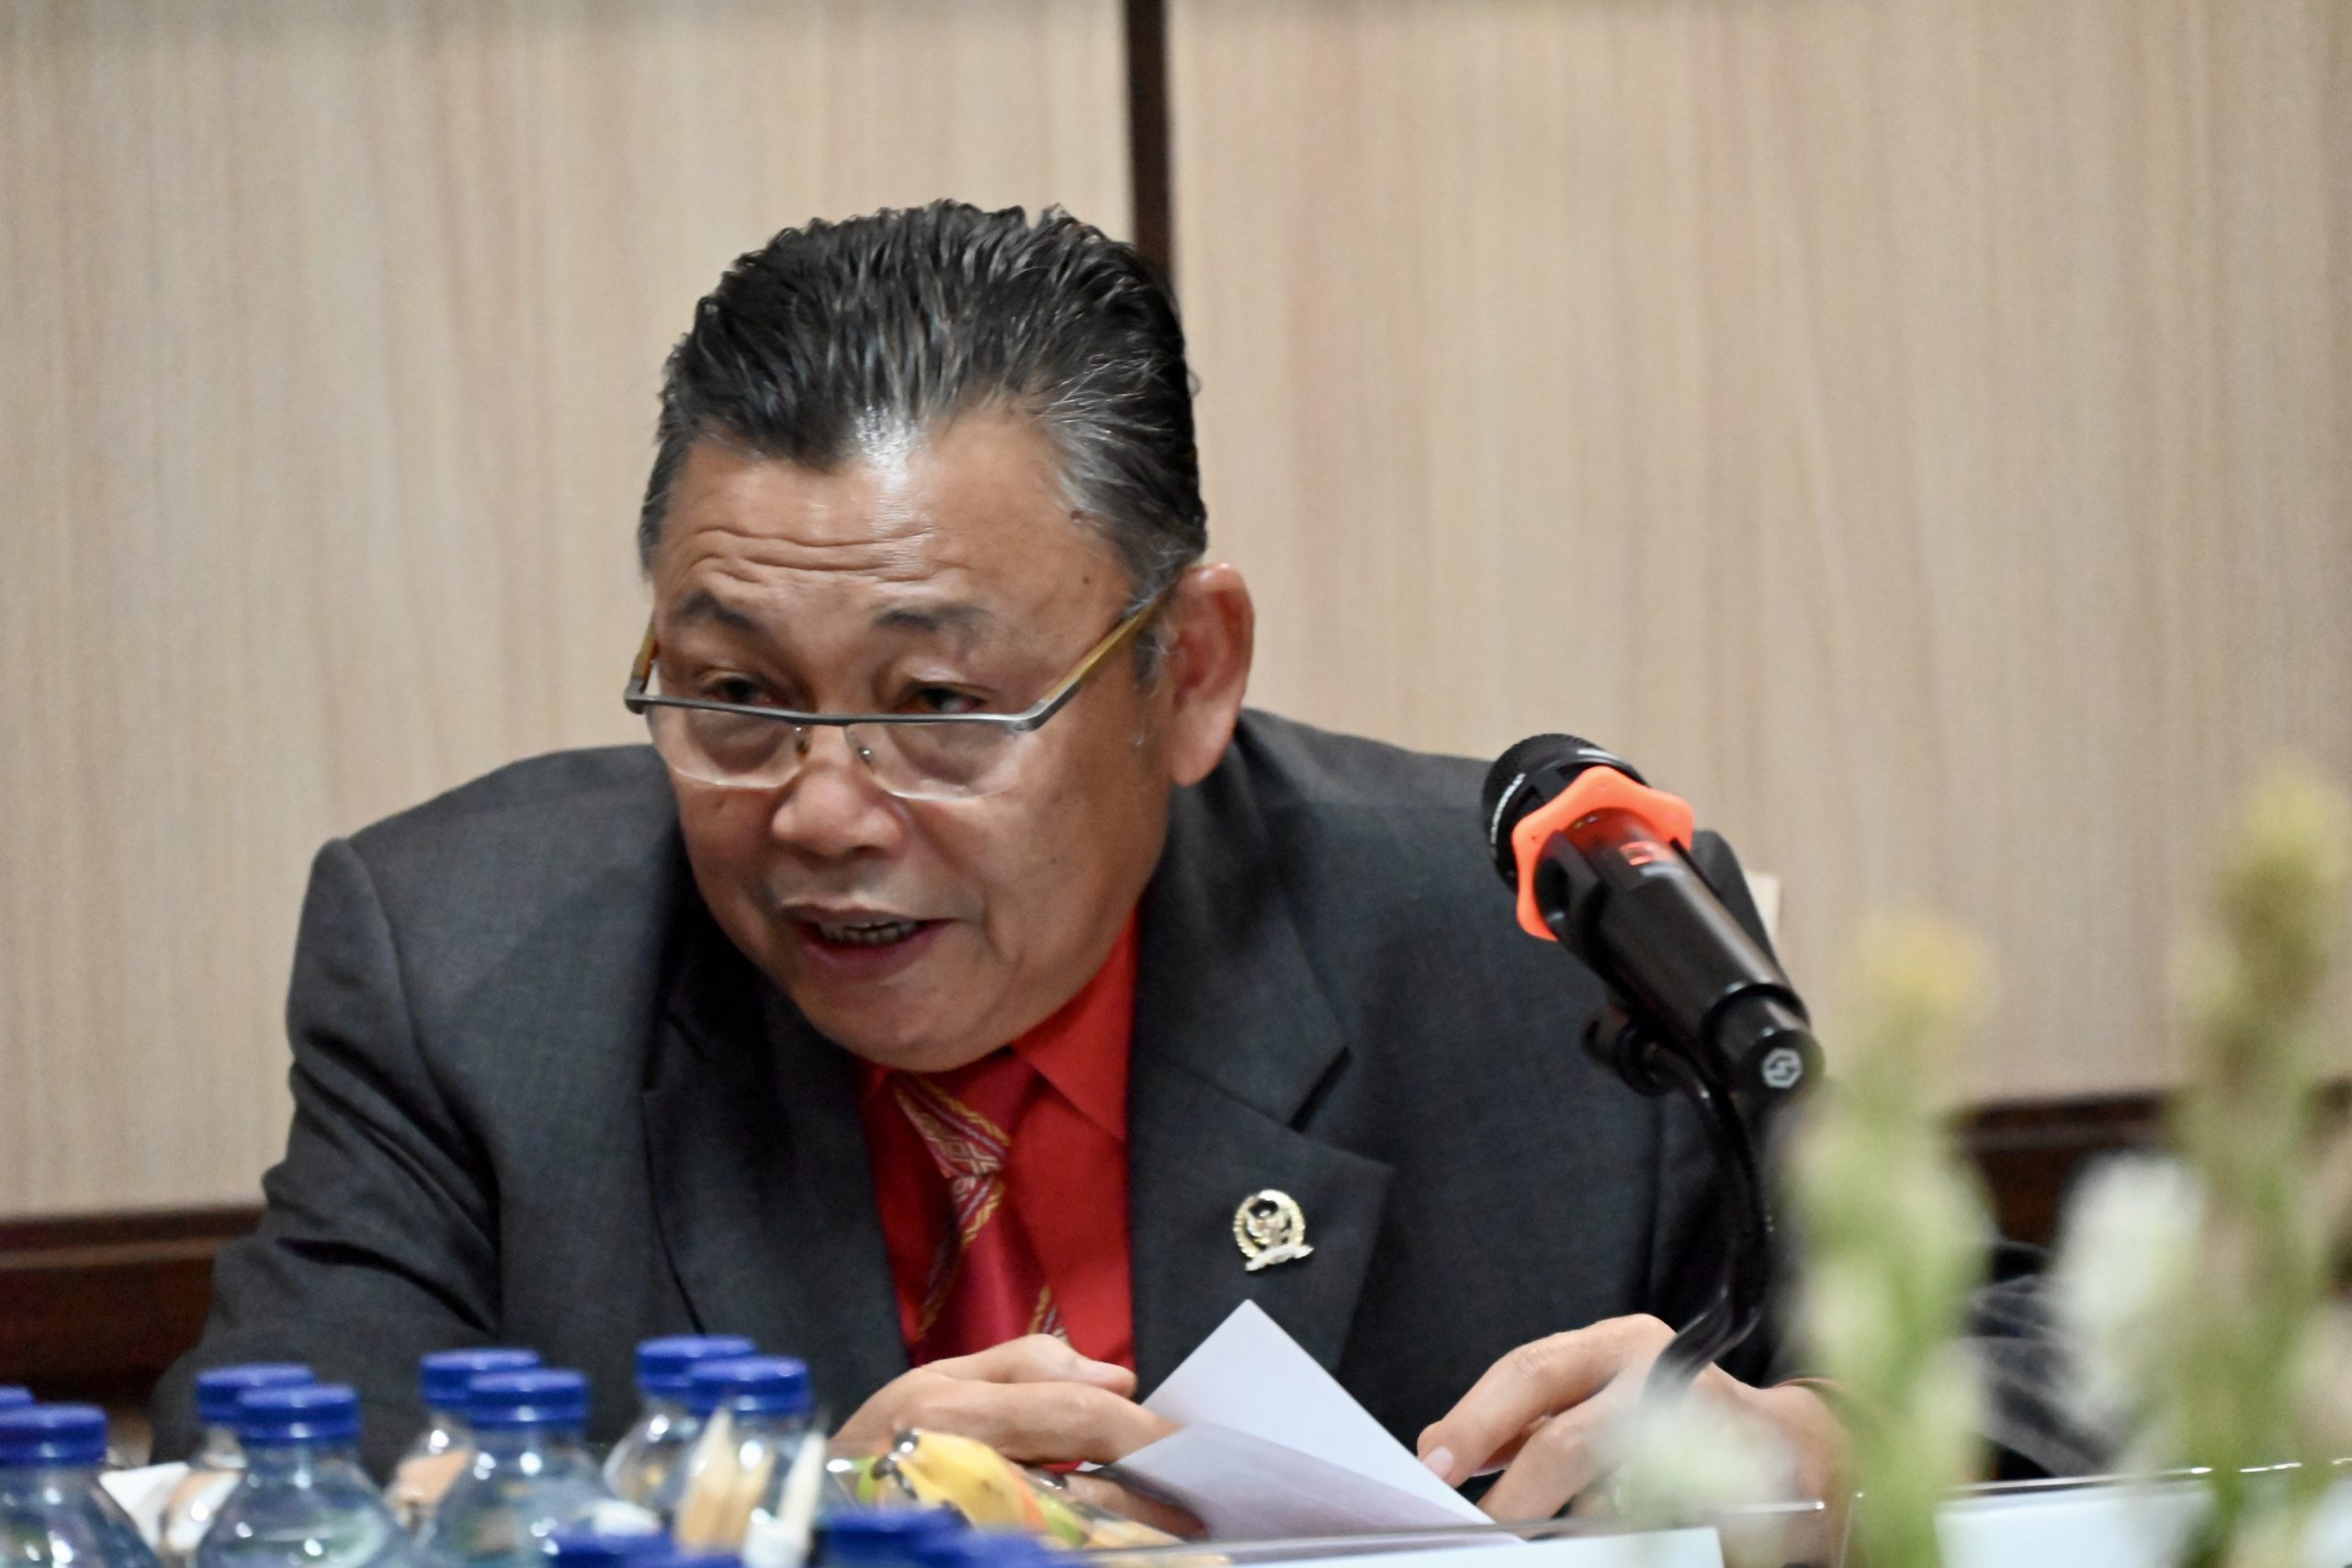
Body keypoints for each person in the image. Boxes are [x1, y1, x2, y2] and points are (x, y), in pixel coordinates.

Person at [153, 203, 2058, 1519]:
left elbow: (2062, 1356)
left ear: (1190, 671)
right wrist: (772, 1520)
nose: (820, 808)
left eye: (937, 703)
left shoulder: (1520, 948)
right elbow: (268, 1491)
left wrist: (1823, 1446)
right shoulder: (469, 961)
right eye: (734, 693)